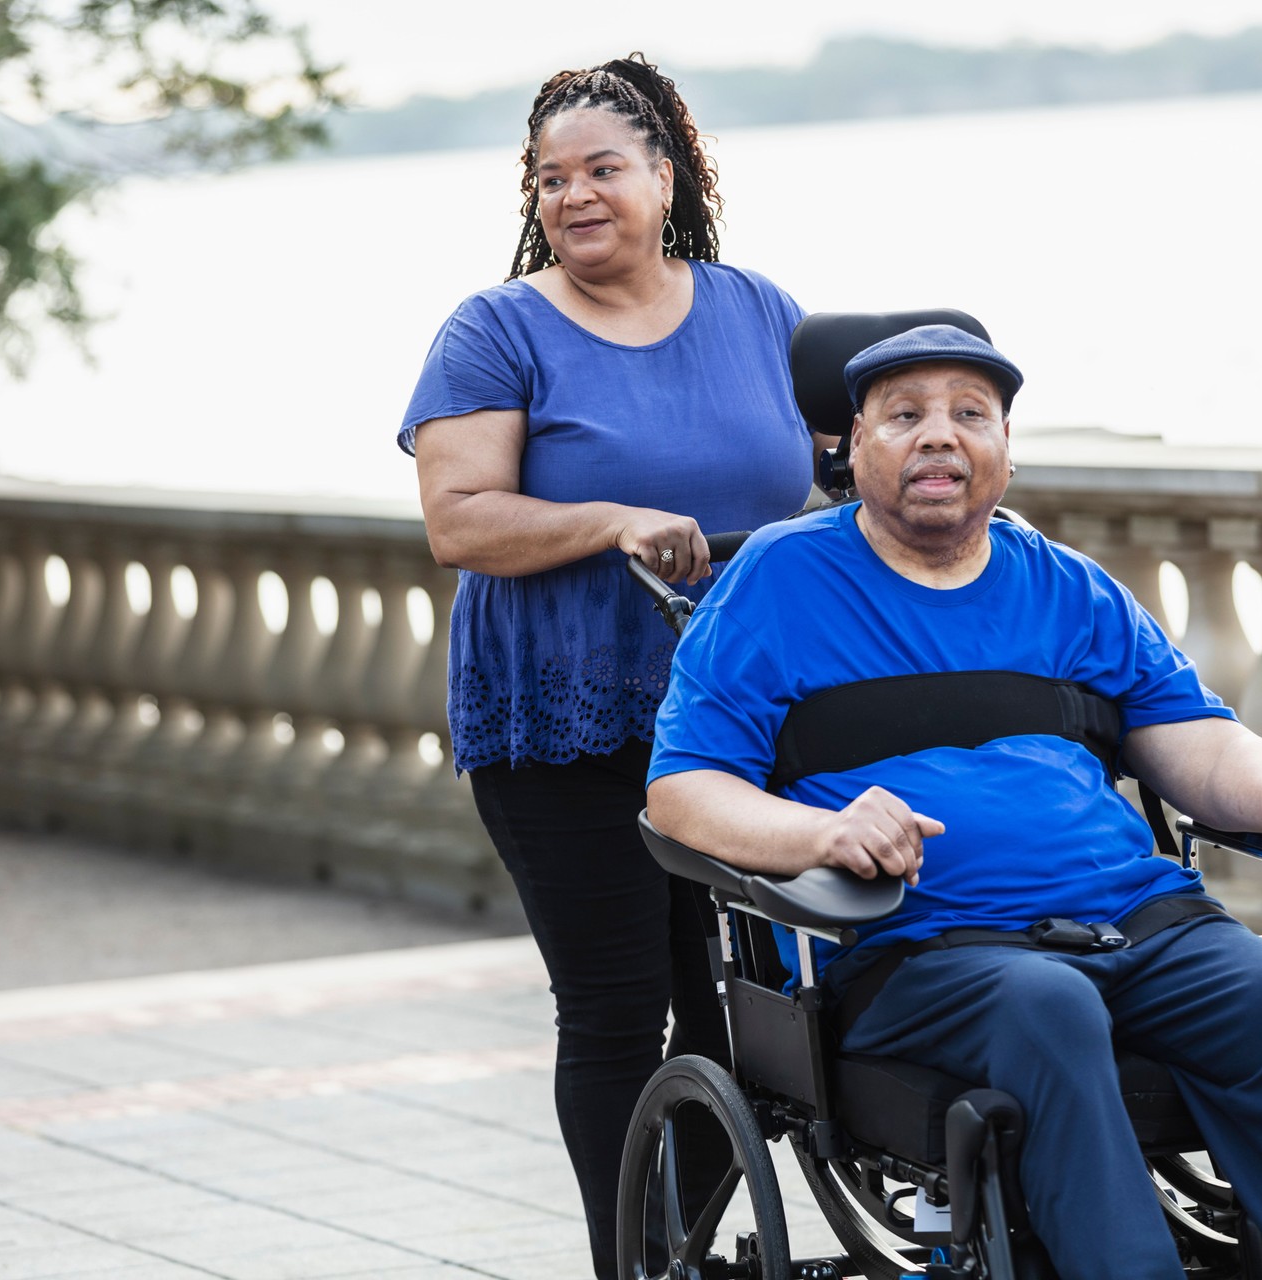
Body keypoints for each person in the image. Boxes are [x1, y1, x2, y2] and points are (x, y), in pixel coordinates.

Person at [646, 324, 1262, 1280]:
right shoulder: (777, 581)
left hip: (1137, 926)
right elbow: (683, 791)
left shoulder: (1069, 588)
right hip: (920, 950)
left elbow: (1199, 742)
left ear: (1005, 451)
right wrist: (823, 830)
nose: (941, 436)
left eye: (970, 415)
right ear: (851, 446)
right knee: (1048, 1006)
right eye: (906, 416)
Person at [397, 53, 816, 1279]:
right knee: (621, 1007)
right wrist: (610, 519)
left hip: (736, 720)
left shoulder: (758, 311)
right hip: (563, 723)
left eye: (601, 169)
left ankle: (674, 1243)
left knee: (747, 1017)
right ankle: (634, 1260)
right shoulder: (495, 330)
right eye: (550, 178)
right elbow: (458, 519)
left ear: (665, 174)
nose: (573, 196)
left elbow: (842, 470)